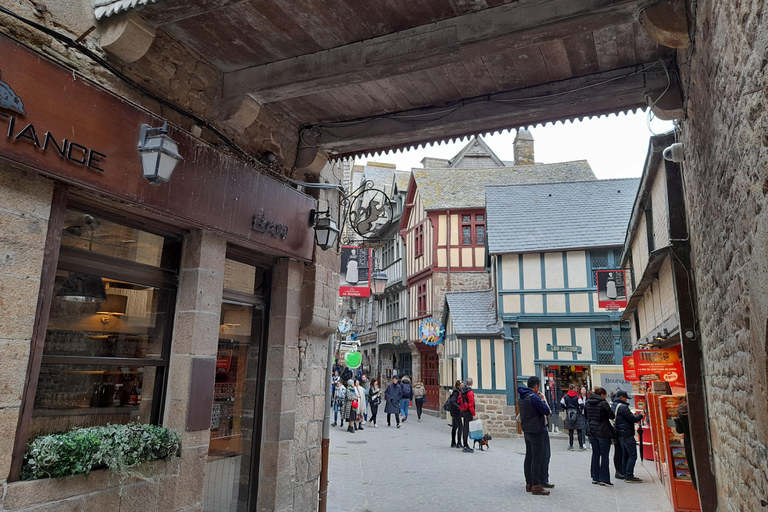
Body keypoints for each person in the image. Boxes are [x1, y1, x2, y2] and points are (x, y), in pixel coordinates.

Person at [517, 376, 551, 496]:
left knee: (529, 456)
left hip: (527, 429)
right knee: (537, 457)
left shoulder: (522, 397)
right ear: (536, 386)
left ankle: (529, 483)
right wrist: (542, 400)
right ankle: (536, 484)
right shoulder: (534, 397)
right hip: (537, 430)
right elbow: (546, 411)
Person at [585, 387, 616, 486]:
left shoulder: (588, 402)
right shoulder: (603, 403)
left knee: (595, 454)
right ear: (602, 394)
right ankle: (604, 478)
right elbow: (612, 415)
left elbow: (586, 416)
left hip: (591, 431)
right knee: (604, 455)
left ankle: (595, 477)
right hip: (603, 431)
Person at [612, 390, 644, 483]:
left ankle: (625, 473)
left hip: (620, 433)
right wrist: (640, 415)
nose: (626, 400)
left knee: (625, 454)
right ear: (621, 397)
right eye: (625, 398)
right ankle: (629, 475)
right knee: (632, 455)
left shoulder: (614, 405)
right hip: (627, 433)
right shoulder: (623, 406)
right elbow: (633, 419)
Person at [560, 384, 585, 451]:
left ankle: (571, 445)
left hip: (569, 413)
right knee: (579, 430)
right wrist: (579, 409)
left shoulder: (565, 396)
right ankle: (581, 446)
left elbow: (561, 404)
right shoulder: (578, 397)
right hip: (577, 413)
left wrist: (566, 408)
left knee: (571, 431)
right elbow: (582, 405)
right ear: (573, 388)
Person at [458, 377, 476, 453]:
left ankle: (465, 443)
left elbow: (459, 399)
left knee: (465, 427)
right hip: (468, 411)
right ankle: (465, 444)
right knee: (467, 428)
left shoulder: (463, 391)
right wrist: (474, 414)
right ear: (472, 383)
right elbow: (471, 404)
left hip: (464, 410)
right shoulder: (470, 392)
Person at [448, 380, 463, 448]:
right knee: (460, 427)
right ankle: (459, 442)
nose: (462, 387)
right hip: (456, 412)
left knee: (455, 427)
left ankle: (453, 442)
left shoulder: (457, 392)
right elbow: (452, 401)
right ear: (458, 386)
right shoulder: (456, 393)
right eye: (461, 385)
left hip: (454, 412)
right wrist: (459, 407)